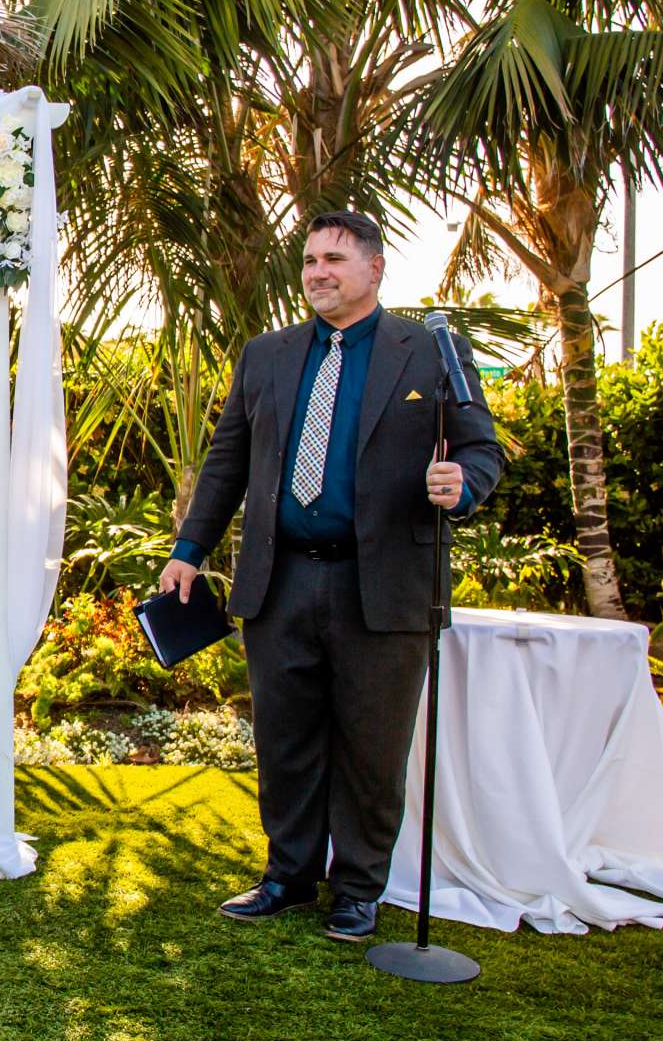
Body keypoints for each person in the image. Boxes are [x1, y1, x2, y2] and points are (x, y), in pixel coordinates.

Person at [155, 211, 505, 942]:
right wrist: (189, 548)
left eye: (335, 259)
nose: (318, 272)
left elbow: (482, 449)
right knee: (284, 740)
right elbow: (226, 463)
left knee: (372, 747)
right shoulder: (267, 355)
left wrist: (461, 485)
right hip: (280, 583)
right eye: (311, 260)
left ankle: (357, 889)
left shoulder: (431, 350)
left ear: (375, 269)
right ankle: (287, 875)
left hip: (383, 587)